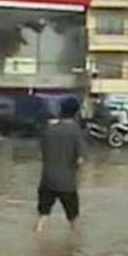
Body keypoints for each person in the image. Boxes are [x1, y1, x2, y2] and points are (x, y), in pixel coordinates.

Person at [36, 97, 85, 233]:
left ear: (61, 111)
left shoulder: (48, 130)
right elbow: (80, 160)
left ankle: (38, 238)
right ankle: (74, 246)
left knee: (43, 216)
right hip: (67, 183)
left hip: (47, 180)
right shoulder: (76, 132)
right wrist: (79, 179)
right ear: (76, 112)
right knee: (73, 220)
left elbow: (42, 153)